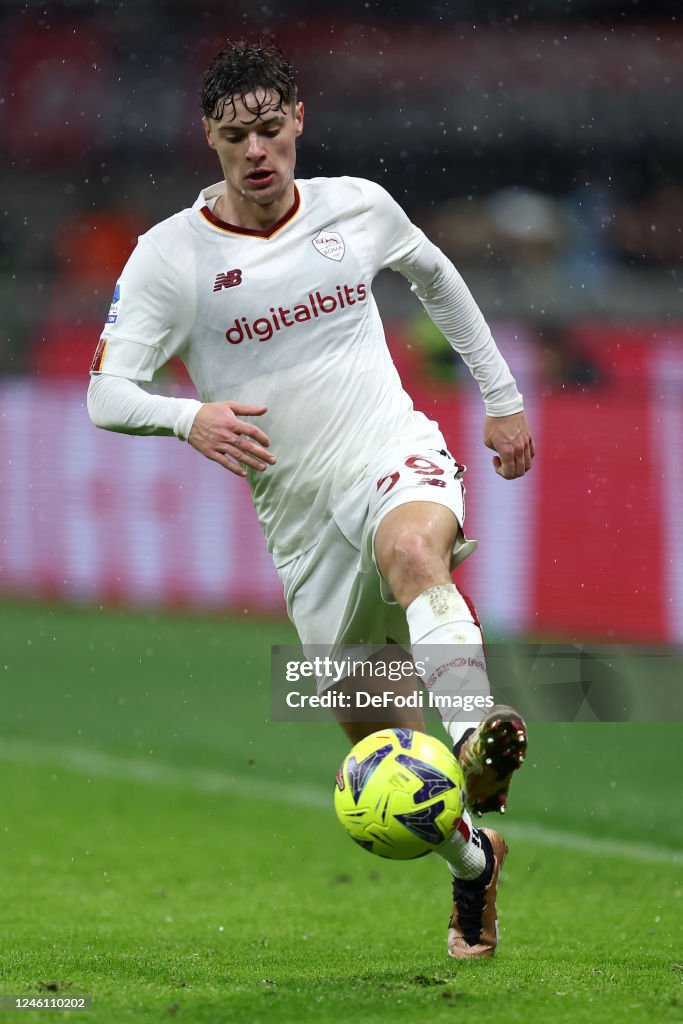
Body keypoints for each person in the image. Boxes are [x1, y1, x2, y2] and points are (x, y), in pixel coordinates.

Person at [87, 39, 535, 960]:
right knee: (375, 754)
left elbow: (436, 277)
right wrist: (188, 418)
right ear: (208, 138)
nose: (257, 151)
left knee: (414, 553)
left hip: (387, 451)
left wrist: (502, 399)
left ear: (297, 120)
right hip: (297, 519)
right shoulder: (170, 258)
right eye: (234, 134)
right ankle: (471, 863)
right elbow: (106, 392)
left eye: (268, 129)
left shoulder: (356, 207)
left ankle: (477, 735)